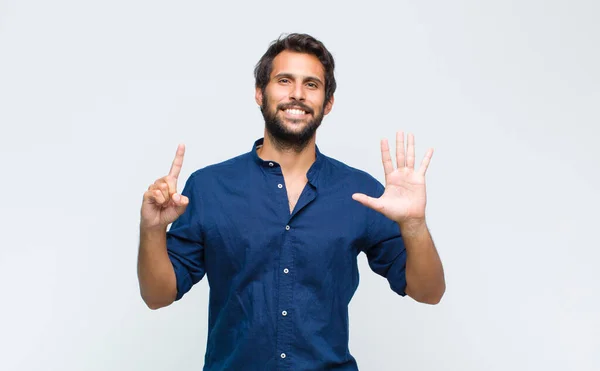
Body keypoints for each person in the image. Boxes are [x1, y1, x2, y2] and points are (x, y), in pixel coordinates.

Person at [137, 33, 445, 370]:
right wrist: (152, 229)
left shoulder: (359, 192)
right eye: (284, 81)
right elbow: (157, 296)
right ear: (260, 92)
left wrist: (414, 225)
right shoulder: (209, 187)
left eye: (311, 84)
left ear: (327, 102)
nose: (297, 94)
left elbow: (428, 291)